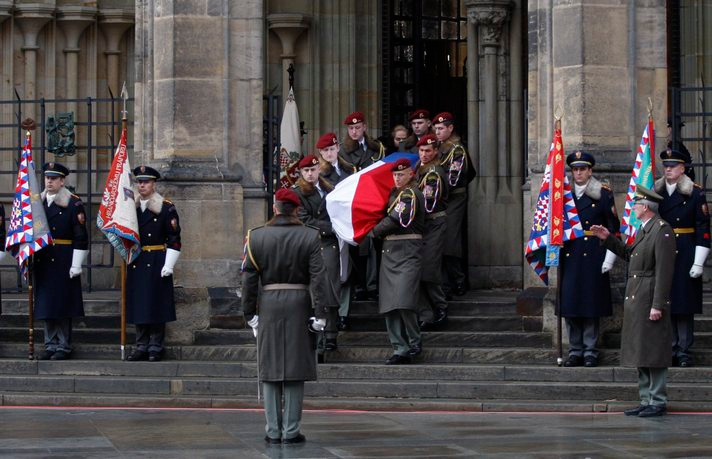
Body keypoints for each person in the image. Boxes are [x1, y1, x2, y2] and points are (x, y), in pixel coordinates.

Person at [241, 188, 335, 444]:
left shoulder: (256, 237)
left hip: (269, 305)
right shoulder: (310, 236)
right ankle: (291, 430)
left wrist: (249, 313)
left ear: (275, 208)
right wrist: (321, 314)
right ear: (296, 209)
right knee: (295, 368)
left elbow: (249, 280)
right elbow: (319, 277)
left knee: (270, 367)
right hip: (299, 304)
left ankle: (273, 430)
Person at [591, 185, 676, 417]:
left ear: (646, 207)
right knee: (641, 350)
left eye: (636, 204)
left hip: (649, 297)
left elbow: (664, 272)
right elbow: (630, 255)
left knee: (654, 351)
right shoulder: (644, 230)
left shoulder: (662, 230)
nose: (633, 208)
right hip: (638, 297)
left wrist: (658, 304)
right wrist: (608, 238)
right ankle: (646, 398)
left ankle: (657, 400)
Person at [560, 151, 619, 368]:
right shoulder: (562, 195)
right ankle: (575, 350)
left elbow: (614, 229)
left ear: (590, 171)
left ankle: (590, 351)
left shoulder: (603, 194)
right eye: (575, 169)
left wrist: (609, 258)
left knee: (590, 304)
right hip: (570, 252)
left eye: (582, 169)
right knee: (571, 304)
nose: (578, 173)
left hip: (594, 253)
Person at [654, 149, 710, 367]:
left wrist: (698, 261)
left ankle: (684, 349)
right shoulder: (656, 191)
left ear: (683, 168)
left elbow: (703, 228)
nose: (668, 169)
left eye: (673, 166)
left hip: (686, 249)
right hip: (663, 248)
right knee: (664, 300)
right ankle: (669, 346)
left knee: (684, 302)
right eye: (666, 166)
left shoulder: (694, 193)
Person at [370, 158, 425, 364]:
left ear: (411, 174)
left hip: (407, 251)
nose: (397, 178)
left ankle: (413, 341)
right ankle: (399, 348)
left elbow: (396, 219)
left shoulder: (410, 194)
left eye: (401, 174)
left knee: (404, 299)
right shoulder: (394, 194)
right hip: (390, 253)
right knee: (389, 304)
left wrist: (373, 231)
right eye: (395, 175)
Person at [126, 166, 181, 362]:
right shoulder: (130, 207)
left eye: (146, 182)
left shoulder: (166, 208)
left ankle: (156, 346)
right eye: (139, 182)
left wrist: (169, 264)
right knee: (139, 304)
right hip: (137, 259)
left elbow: (174, 239)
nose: (142, 185)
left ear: (154, 184)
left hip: (157, 258)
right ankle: (141, 345)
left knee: (156, 303)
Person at [35, 162, 88, 360]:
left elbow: (81, 236)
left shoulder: (73, 203)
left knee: (63, 304)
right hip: (43, 258)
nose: (49, 181)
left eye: (54, 178)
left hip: (64, 258)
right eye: (48, 178)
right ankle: (50, 344)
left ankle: (63, 345)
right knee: (46, 305)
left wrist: (76, 263)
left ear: (62, 181)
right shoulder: (37, 203)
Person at [293, 154, 340, 354]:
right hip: (313, 244)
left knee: (332, 290)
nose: (310, 174)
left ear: (319, 169)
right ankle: (319, 337)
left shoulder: (329, 188)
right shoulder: (298, 193)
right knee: (318, 293)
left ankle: (331, 334)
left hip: (330, 245)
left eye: (313, 170)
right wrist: (333, 227)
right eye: (306, 171)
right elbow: (304, 220)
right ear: (301, 173)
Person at [340, 111, 382, 301]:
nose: (354, 132)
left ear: (365, 127)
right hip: (353, 204)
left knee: (372, 245)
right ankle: (359, 284)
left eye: (358, 128)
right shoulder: (343, 151)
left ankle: (372, 285)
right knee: (355, 245)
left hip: (373, 202)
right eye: (351, 128)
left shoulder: (377, 148)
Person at [433, 112, 475, 298]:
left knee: (450, 240)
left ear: (450, 128)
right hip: (441, 200)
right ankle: (446, 282)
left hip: (453, 198)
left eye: (441, 129)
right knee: (442, 241)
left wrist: (435, 193)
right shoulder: (438, 148)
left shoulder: (456, 150)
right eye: (436, 129)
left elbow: (454, 178)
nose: (438, 132)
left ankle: (458, 280)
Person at [316, 132, 352, 331]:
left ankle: (344, 312)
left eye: (331, 149)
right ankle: (335, 314)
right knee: (333, 272)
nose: (329, 153)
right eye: (325, 151)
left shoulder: (348, 169)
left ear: (338, 148)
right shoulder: (319, 174)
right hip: (329, 229)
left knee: (346, 270)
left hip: (347, 226)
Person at [414, 134, 449, 331]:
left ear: (435, 151)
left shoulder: (433, 173)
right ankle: (429, 312)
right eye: (421, 150)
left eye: (428, 151)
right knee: (422, 269)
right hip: (424, 225)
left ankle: (440, 308)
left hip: (433, 223)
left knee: (429, 267)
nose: (424, 154)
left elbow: (429, 202)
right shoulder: (419, 169)